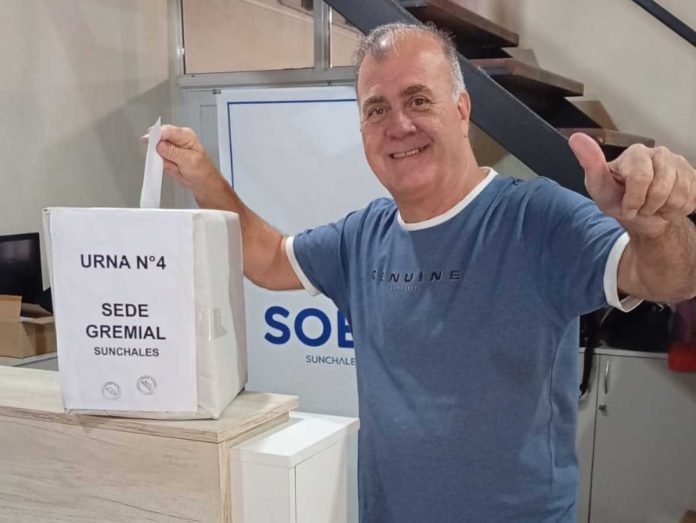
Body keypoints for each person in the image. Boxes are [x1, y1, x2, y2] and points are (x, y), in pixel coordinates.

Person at [154, 23, 696, 523]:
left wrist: (656, 225)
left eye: (418, 99)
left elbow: (671, 279)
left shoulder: (536, 217)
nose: (399, 125)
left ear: (461, 109)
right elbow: (271, 259)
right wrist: (204, 178)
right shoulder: (363, 235)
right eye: (376, 109)